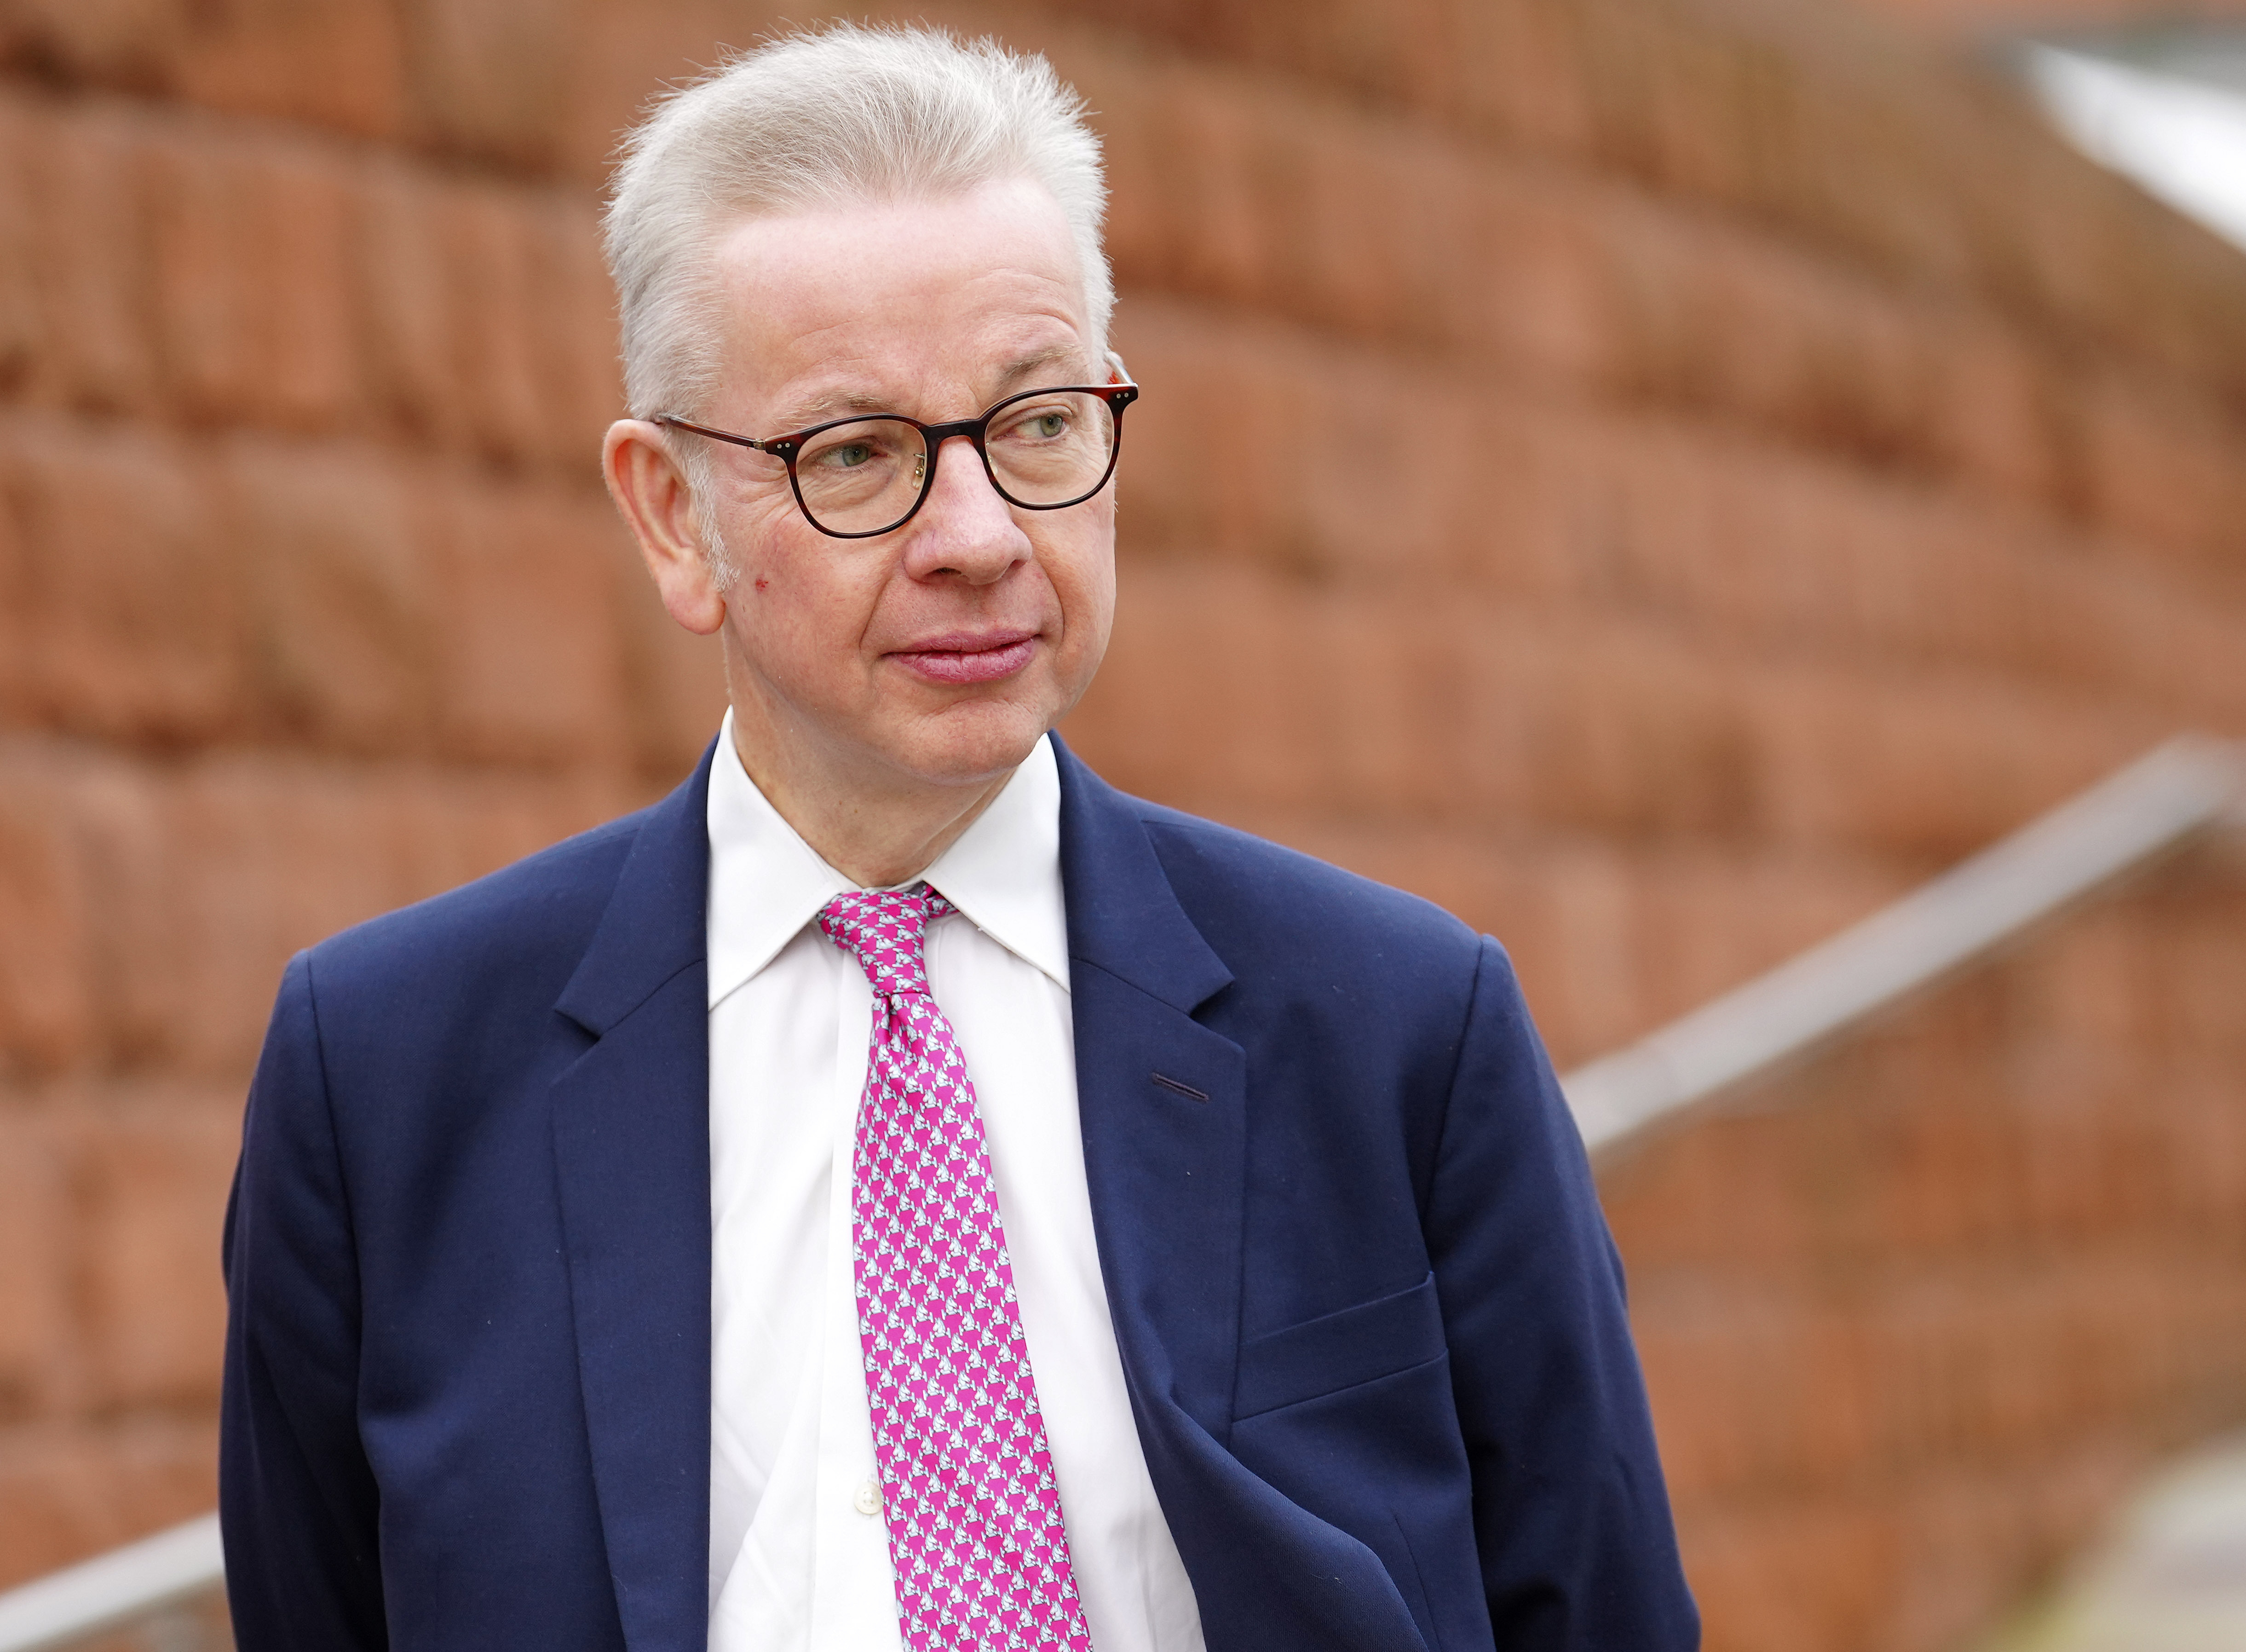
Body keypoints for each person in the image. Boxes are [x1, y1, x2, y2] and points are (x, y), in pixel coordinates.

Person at [219, 24, 1698, 1652]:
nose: (982, 538)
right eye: (857, 453)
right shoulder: (386, 1076)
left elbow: (1596, 1606)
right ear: (671, 516)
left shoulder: (1404, 1027)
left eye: (1039, 423)